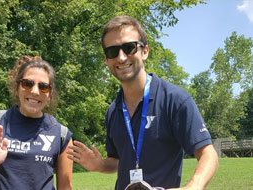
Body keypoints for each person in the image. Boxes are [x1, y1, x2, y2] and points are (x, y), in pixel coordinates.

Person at [67, 15, 218, 190]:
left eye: (129, 47)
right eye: (112, 51)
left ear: (144, 51)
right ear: (106, 60)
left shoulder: (175, 99)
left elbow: (208, 153)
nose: (121, 57)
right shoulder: (113, 110)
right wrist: (100, 165)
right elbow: (117, 162)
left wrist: (194, 186)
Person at [0, 55, 73, 190]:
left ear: (50, 93)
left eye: (43, 87)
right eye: (27, 84)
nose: (34, 91)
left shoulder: (62, 135)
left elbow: (65, 187)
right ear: (17, 88)